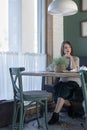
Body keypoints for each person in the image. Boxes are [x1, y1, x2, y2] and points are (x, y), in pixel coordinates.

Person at [48, 41, 83, 125]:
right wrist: (60, 61)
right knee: (57, 88)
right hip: (63, 81)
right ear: (63, 49)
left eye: (69, 47)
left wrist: (70, 58)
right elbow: (51, 67)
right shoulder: (60, 59)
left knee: (63, 89)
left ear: (71, 49)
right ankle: (70, 106)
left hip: (73, 81)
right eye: (65, 47)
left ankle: (55, 115)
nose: (68, 49)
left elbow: (75, 69)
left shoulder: (75, 58)